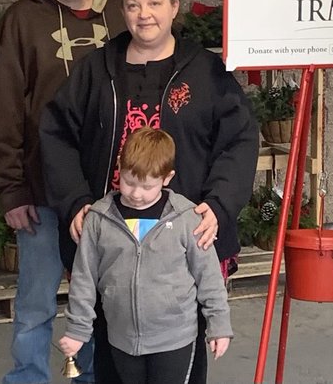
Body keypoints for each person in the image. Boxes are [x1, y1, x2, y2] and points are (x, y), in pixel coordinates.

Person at [42, 0, 258, 384]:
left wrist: (218, 204)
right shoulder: (95, 70)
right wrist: (75, 201)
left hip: (184, 240)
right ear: (122, 11)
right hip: (112, 238)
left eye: (155, 3)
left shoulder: (206, 72)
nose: (145, 14)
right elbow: (57, 135)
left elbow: (240, 141)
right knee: (112, 355)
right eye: (133, 5)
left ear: (174, 7)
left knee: (180, 360)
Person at [0, 0, 126, 384]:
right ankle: (27, 378)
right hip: (44, 194)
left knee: (104, 306)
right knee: (33, 305)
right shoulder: (23, 20)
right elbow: (3, 107)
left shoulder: (122, 15)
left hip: (114, 196)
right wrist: (11, 190)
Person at [59, 128, 232, 384]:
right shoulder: (98, 218)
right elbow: (84, 279)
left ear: (167, 178)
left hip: (175, 339)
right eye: (129, 181)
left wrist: (219, 326)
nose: (136, 193)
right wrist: (77, 330)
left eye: (147, 186)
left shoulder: (187, 218)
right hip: (121, 339)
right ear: (120, 166)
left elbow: (209, 278)